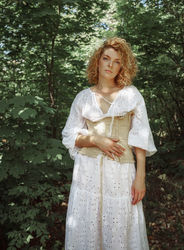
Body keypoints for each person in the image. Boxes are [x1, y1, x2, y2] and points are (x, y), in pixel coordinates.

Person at [62, 37, 157, 250]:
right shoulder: (82, 98)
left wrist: (140, 176)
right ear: (98, 61)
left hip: (121, 173)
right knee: (87, 229)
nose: (110, 65)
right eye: (106, 58)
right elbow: (69, 136)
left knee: (120, 229)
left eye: (116, 61)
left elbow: (141, 138)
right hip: (87, 174)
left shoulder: (131, 95)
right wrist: (96, 139)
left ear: (122, 66)